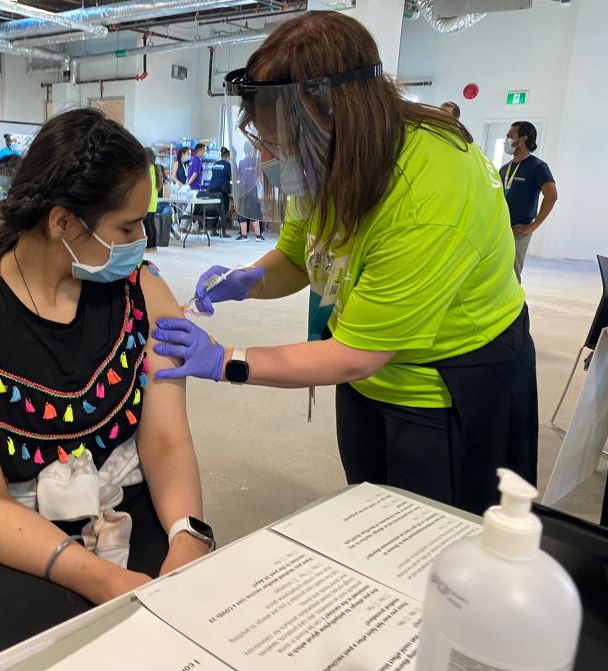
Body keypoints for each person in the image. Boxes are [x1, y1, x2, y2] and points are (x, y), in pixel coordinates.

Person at [150, 11, 537, 516]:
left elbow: (357, 353)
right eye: (265, 142)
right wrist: (249, 282)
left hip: (449, 383)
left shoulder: (428, 193)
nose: (272, 159)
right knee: (368, 506)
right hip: (365, 371)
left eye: (282, 144)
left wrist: (227, 360)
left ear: (340, 118)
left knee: (433, 534)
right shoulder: (325, 162)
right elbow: (296, 257)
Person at [0, 108, 211, 668]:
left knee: (197, 640)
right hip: (12, 534)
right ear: (63, 223)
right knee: (59, 668)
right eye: (127, 227)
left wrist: (188, 535)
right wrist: (100, 578)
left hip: (124, 507)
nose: (144, 242)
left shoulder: (141, 292)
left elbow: (164, 441)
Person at [499, 121, 558, 281]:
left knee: (511, 275)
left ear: (523, 139)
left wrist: (533, 226)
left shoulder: (537, 167)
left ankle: (514, 306)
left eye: (510, 137)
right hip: (500, 228)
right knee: (496, 272)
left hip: (519, 230)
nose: (506, 141)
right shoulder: (505, 169)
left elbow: (551, 196)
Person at [234, 142, 264, 242]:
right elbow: (259, 177)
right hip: (252, 190)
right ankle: (258, 236)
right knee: (254, 212)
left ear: (243, 150)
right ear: (251, 150)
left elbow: (238, 177)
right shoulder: (256, 161)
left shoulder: (241, 162)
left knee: (242, 212)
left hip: (242, 189)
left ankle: (244, 236)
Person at [206, 147, 232, 238]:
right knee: (223, 210)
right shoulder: (228, 165)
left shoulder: (215, 164)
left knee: (214, 210)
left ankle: (213, 230)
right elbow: (232, 177)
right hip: (222, 190)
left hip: (212, 189)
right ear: (228, 156)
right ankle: (223, 232)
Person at [144, 148, 161, 252]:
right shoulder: (156, 169)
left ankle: (149, 245)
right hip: (153, 200)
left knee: (147, 224)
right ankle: (154, 245)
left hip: (147, 200)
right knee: (151, 223)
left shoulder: (147, 169)